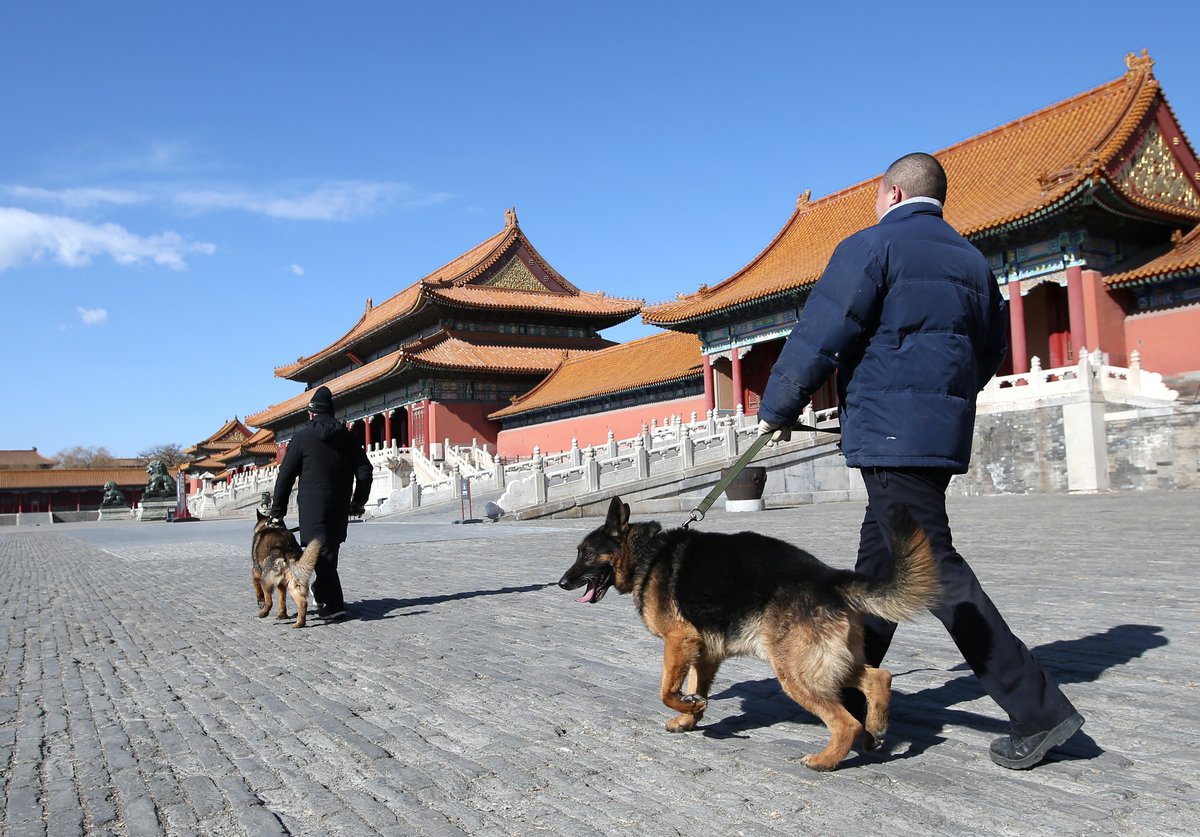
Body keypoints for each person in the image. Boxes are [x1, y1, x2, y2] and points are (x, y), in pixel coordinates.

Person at [756, 152, 1084, 769]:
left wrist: (777, 406)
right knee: (877, 573)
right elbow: (990, 351)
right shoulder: (972, 263)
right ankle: (854, 693)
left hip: (888, 434)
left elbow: (824, 332)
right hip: (934, 434)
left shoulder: (872, 247)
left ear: (892, 192)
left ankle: (1040, 711)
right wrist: (942, 405)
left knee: (932, 569)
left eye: (878, 197)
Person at [269, 385, 373, 621]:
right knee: (328, 552)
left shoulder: (302, 437)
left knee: (321, 554)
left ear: (311, 413)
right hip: (339, 506)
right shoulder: (347, 437)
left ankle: (334, 603)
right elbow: (365, 470)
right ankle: (323, 594)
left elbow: (285, 476)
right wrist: (358, 501)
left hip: (312, 507)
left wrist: (277, 512)